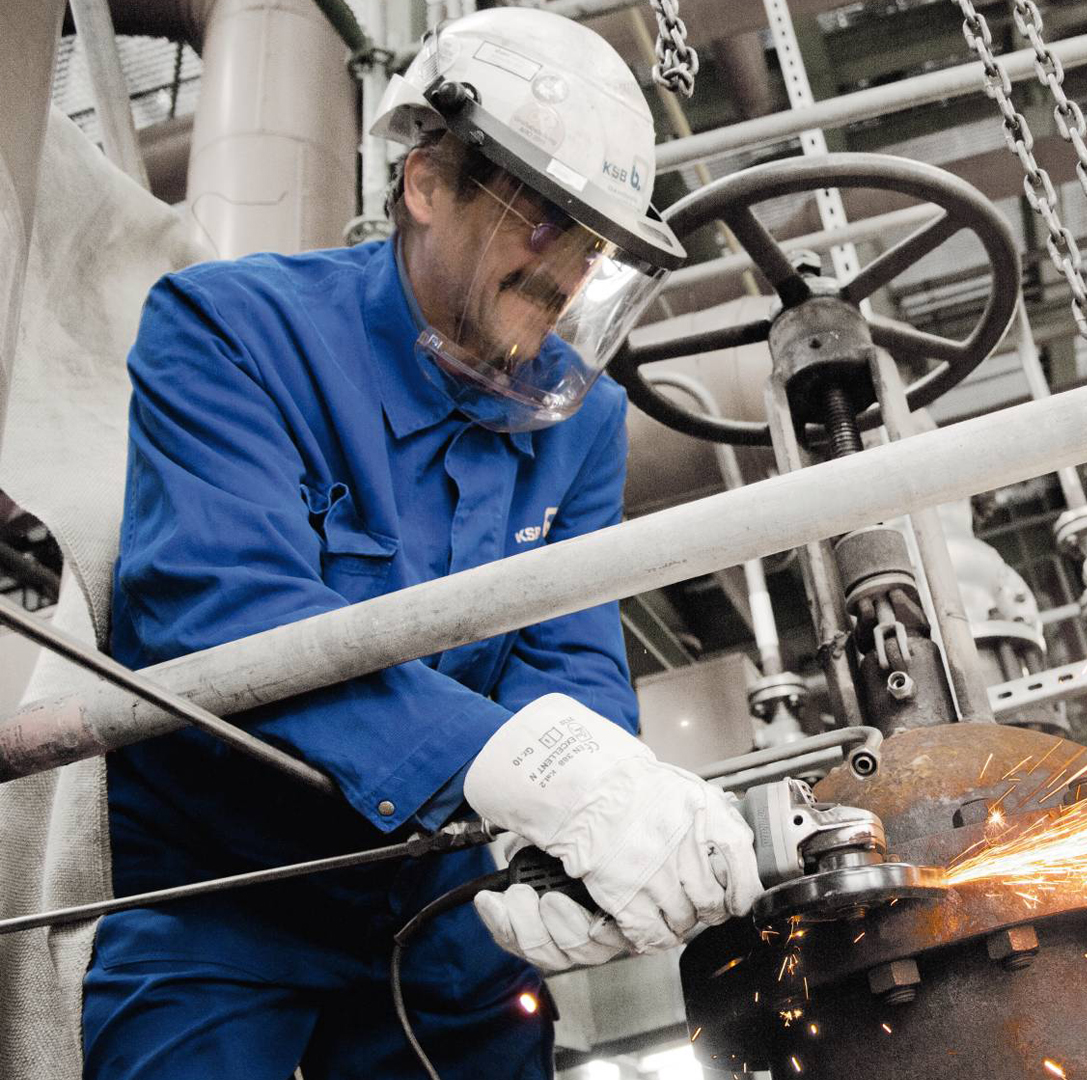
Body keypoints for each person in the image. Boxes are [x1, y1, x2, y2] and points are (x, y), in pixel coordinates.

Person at [79, 10, 761, 1078]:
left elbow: (567, 651)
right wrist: (517, 765)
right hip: (219, 897)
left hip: (444, 897)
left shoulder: (577, 425)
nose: (572, 275)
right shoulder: (232, 331)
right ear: (430, 181)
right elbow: (220, 608)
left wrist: (574, 830)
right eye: (545, 223)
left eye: (593, 247)